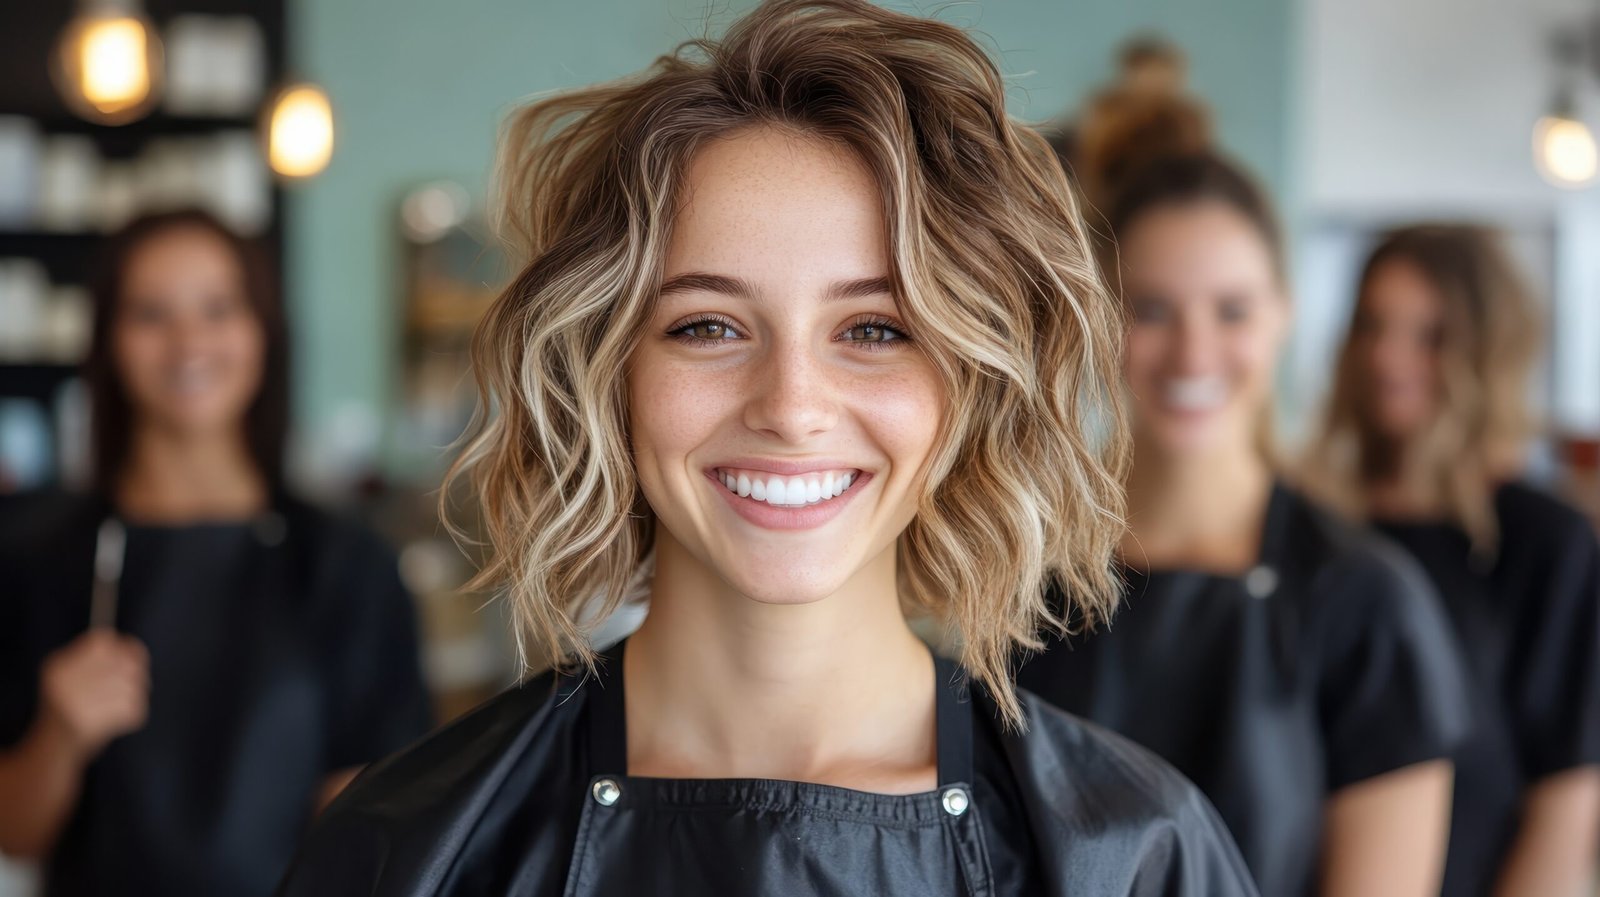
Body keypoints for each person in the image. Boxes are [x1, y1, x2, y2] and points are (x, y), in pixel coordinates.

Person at [276, 2, 1258, 895]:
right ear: (606, 372)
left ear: (971, 385)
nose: (791, 407)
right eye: (707, 326)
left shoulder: (1135, 855)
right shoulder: (413, 850)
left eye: (875, 329)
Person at [1014, 134, 1471, 896]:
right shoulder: (1023, 578)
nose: (1193, 353)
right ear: (1101, 316)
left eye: (1232, 310)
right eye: (1152, 309)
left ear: (1282, 315)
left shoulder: (1365, 601)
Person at [0, 209, 434, 897]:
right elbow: (15, 833)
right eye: (151, 314)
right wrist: (59, 734)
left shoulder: (349, 565)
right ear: (108, 340)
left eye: (218, 308)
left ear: (262, 331)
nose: (188, 342)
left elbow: (381, 822)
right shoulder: (38, 560)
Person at [1305, 224, 1600, 897]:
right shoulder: (1313, 525)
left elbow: (1567, 792)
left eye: (1429, 334)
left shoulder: (1543, 540)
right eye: (1372, 325)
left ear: (1484, 349)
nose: (1388, 356)